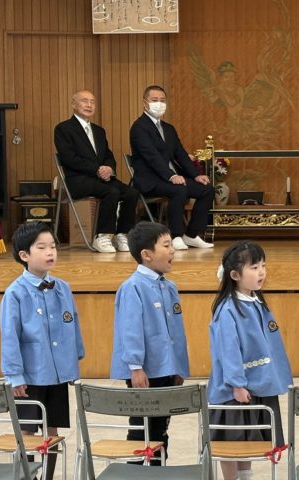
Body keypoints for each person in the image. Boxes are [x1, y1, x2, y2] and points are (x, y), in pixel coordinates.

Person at [0, 222, 85, 480]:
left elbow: (73, 325)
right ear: (24, 255)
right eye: (42, 247)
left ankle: (47, 477)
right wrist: (14, 375)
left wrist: (72, 365)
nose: (50, 252)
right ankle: (28, 476)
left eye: (53, 247)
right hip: (29, 376)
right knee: (27, 431)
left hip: (57, 374)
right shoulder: (15, 293)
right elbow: (10, 337)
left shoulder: (63, 287)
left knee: (53, 430)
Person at [208, 240, 292, 480]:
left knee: (249, 439)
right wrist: (236, 383)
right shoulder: (228, 309)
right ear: (235, 275)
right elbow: (228, 350)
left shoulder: (257, 303)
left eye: (263, 265)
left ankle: (245, 476)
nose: (261, 272)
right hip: (235, 391)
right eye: (254, 267)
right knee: (231, 441)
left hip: (259, 385)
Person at [110, 221, 190, 465]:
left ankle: (158, 471)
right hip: (144, 372)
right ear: (146, 254)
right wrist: (135, 367)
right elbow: (130, 331)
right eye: (166, 245)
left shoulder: (169, 286)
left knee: (160, 429)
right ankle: (136, 472)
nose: (172, 250)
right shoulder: (132, 287)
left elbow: (177, 333)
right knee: (141, 430)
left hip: (167, 369)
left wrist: (178, 368)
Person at [129, 85, 214, 251]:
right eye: (154, 100)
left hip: (169, 179)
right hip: (150, 180)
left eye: (162, 100)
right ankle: (176, 235)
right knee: (179, 189)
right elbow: (151, 156)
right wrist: (171, 176)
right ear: (144, 103)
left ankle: (191, 235)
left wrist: (196, 175)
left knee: (207, 189)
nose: (159, 104)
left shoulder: (168, 128)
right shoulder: (139, 127)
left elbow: (180, 153)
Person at [55, 90, 139, 253]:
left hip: (101, 179)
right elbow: (69, 158)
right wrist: (97, 169)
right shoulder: (63, 128)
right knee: (111, 191)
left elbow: (108, 155)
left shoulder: (99, 130)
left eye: (92, 102)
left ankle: (122, 234)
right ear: (73, 104)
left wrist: (109, 168)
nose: (89, 105)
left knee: (132, 192)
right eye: (84, 101)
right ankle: (102, 236)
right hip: (78, 180)